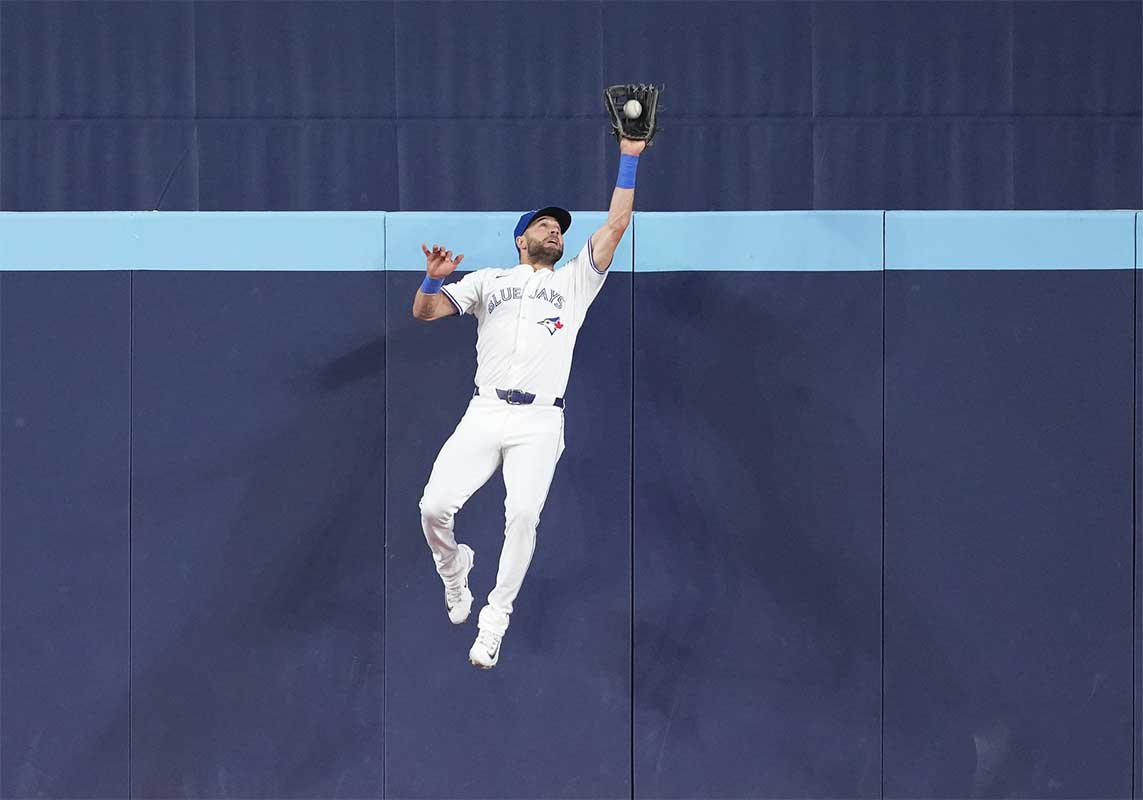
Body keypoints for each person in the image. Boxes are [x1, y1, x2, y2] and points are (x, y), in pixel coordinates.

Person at [412, 135, 647, 668]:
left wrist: (629, 158)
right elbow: (424, 313)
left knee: (522, 514)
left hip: (540, 418)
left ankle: (494, 619)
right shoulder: (488, 281)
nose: (554, 231)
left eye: (559, 228)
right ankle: (455, 571)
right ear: (522, 238)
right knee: (432, 508)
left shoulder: (573, 284)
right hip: (486, 410)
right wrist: (432, 278)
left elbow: (614, 226)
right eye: (544, 225)